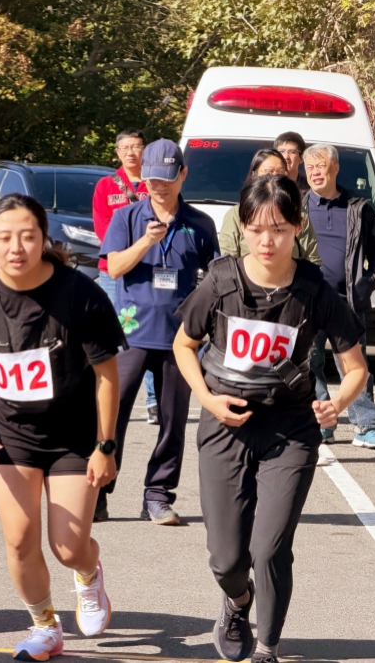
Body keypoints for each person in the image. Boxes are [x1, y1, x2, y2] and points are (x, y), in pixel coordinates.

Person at [174, 174, 369, 663]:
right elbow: (184, 345)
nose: (268, 240)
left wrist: (337, 403)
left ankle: (268, 646)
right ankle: (238, 601)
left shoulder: (314, 290)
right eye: (258, 228)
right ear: (242, 227)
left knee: (269, 548)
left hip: (290, 431)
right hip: (225, 425)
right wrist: (208, 398)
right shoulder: (220, 281)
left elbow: (356, 369)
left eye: (280, 229)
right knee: (226, 558)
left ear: (297, 228)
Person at [0, 193, 123, 661]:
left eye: (27, 236)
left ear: (44, 239)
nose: (16, 247)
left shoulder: (79, 294)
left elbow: (106, 375)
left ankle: (88, 573)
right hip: (9, 434)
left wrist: (106, 445)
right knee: (20, 540)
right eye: (4, 237)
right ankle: (44, 626)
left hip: (73, 436)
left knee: (67, 545)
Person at [100, 139, 219, 525]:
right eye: (151, 179)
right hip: (131, 334)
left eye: (167, 178)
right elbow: (113, 268)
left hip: (180, 339)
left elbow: (215, 278)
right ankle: (98, 493)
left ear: (183, 175)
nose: (159, 186)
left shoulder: (200, 224)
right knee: (111, 416)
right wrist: (146, 241)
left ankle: (158, 495)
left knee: (172, 420)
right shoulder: (127, 218)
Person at [303, 144, 375, 449]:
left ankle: (366, 426)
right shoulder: (298, 206)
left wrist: (368, 283)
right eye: (309, 167)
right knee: (308, 363)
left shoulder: (358, 207)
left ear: (335, 168)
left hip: (347, 300)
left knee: (354, 364)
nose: (315, 172)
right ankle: (322, 423)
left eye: (321, 165)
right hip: (307, 299)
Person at [92, 128, 159, 434]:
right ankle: (112, 398)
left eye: (137, 147)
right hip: (113, 271)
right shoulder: (106, 186)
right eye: (126, 148)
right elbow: (104, 230)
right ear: (117, 152)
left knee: (148, 332)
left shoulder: (156, 184)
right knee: (114, 334)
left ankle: (153, 400)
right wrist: (130, 252)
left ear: (145, 150)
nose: (132, 152)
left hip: (149, 271)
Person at [218, 149, 321, 263]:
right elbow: (228, 261)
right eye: (268, 172)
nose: (274, 177)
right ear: (254, 175)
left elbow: (312, 259)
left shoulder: (297, 212)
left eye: (280, 172)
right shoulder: (236, 214)